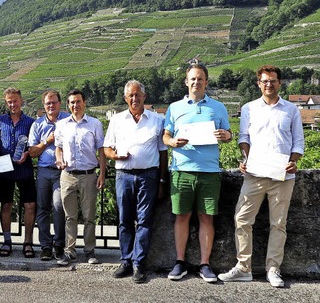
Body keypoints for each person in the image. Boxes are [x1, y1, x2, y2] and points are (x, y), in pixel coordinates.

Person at [218, 65, 304, 288]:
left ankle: (273, 269)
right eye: (265, 81)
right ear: (259, 84)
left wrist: (293, 162)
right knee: (242, 219)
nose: (269, 84)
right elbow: (244, 137)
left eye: (273, 81)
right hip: (254, 174)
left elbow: (298, 142)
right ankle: (243, 267)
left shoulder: (291, 110)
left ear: (279, 83)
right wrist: (245, 159)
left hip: (282, 176)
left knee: (279, 224)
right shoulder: (249, 108)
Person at [163, 62, 232, 283]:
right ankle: (180, 262)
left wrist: (226, 135)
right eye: (192, 78)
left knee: (206, 217)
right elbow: (165, 137)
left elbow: (229, 134)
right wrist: (173, 142)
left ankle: (205, 264)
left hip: (209, 172)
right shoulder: (174, 108)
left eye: (200, 78)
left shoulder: (219, 107)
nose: (196, 82)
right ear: (186, 82)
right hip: (182, 171)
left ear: (206, 82)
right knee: (181, 216)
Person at [104, 81, 168, 283]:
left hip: (148, 175)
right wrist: (114, 156)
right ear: (125, 98)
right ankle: (125, 260)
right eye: (130, 96)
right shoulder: (117, 120)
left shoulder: (157, 120)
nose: (134, 99)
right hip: (123, 175)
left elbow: (163, 153)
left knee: (144, 220)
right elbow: (107, 148)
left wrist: (162, 180)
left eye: (137, 95)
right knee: (124, 220)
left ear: (144, 96)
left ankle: (139, 263)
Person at [54, 89, 106, 266]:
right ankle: (70, 251)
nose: (75, 105)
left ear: (84, 103)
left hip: (88, 175)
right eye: (72, 102)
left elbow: (101, 150)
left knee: (89, 216)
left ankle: (89, 250)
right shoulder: (61, 125)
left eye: (78, 101)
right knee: (70, 216)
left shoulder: (95, 124)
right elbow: (58, 147)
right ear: (68, 105)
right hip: (67, 175)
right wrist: (59, 160)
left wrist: (102, 175)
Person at [0, 87, 36, 258]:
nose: (13, 104)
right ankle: (7, 241)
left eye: (15, 100)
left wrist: (28, 153)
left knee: (30, 205)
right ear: (6, 102)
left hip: (24, 169)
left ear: (21, 101)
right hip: (5, 170)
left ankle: (28, 243)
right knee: (5, 206)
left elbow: (34, 144)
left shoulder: (31, 122)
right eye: (9, 101)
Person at [28, 90, 69, 261]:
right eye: (47, 103)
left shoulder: (68, 120)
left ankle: (59, 245)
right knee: (43, 208)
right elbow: (32, 152)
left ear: (60, 103)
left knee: (59, 207)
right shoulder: (38, 124)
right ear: (44, 106)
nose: (51, 106)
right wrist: (47, 141)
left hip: (63, 171)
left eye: (54, 102)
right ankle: (45, 246)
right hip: (44, 171)